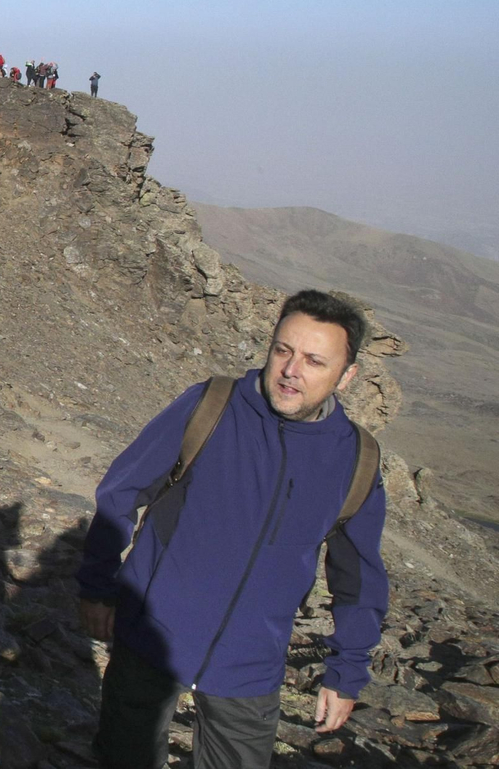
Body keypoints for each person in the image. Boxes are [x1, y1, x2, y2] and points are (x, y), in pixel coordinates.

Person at [76, 290, 388, 769]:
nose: (290, 370)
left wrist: (346, 672)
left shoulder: (356, 460)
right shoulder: (212, 407)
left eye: (313, 360)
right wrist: (98, 586)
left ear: (346, 377)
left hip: (251, 665)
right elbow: (122, 490)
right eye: (283, 350)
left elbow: (359, 578)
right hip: (152, 638)